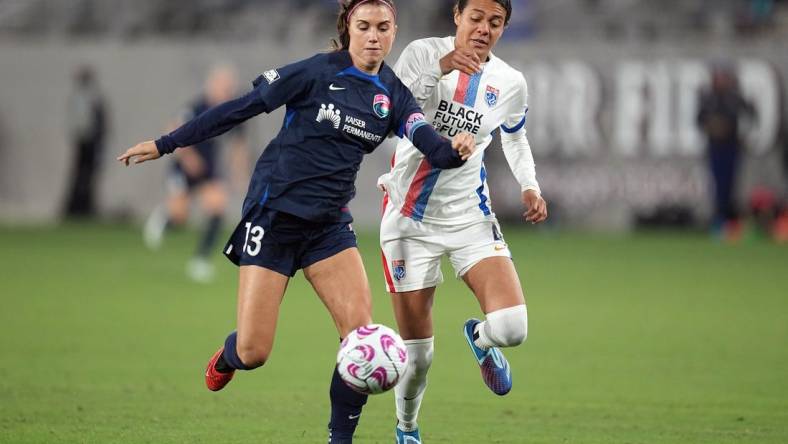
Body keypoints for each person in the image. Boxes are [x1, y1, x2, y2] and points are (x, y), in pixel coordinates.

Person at [117, 1, 476, 442]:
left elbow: (431, 145)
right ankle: (228, 357)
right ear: (348, 28)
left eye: (383, 27)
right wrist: (166, 144)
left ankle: (338, 439)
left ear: (394, 31)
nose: (373, 36)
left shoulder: (392, 94)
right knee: (254, 351)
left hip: (329, 228)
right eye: (364, 26)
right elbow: (240, 108)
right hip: (274, 218)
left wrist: (455, 150)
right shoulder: (316, 72)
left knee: (361, 341)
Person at [375, 1, 548, 442]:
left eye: (495, 22)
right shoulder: (421, 52)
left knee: (513, 328)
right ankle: (408, 428)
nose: (484, 29)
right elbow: (390, 112)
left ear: (504, 27)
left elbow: (515, 135)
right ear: (457, 15)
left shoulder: (510, 82)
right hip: (409, 219)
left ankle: (481, 339)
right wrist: (443, 65)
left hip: (470, 215)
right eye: (476, 18)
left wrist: (530, 185)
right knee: (418, 359)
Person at [143, 64, 250, 283]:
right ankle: (165, 219)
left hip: (208, 171)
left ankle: (200, 261)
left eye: (230, 87)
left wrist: (240, 173)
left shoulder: (234, 111)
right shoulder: (197, 107)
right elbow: (172, 128)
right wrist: (189, 158)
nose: (226, 91)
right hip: (184, 169)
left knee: (218, 206)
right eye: (222, 86)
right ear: (211, 85)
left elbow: (238, 145)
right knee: (180, 217)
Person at [697, 64, 755, 240]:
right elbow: (699, 120)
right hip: (716, 147)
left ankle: (732, 224)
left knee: (731, 185)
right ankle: (719, 223)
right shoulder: (709, 98)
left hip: (732, 146)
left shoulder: (735, 98)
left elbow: (751, 116)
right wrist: (712, 127)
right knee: (718, 185)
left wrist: (744, 135)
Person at [64, 66, 109, 217]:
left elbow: (99, 124)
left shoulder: (89, 98)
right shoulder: (84, 98)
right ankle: (78, 207)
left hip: (89, 143)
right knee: (82, 176)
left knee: (86, 177)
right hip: (84, 143)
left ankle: (83, 207)